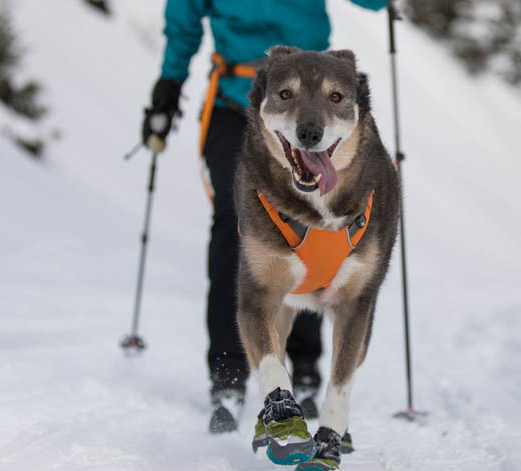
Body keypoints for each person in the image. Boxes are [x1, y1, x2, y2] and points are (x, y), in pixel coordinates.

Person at [141, 0, 386, 434]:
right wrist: (169, 82)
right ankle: (230, 374)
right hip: (237, 102)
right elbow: (183, 19)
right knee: (236, 227)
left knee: (320, 228)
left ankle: (306, 367)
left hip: (316, 107)